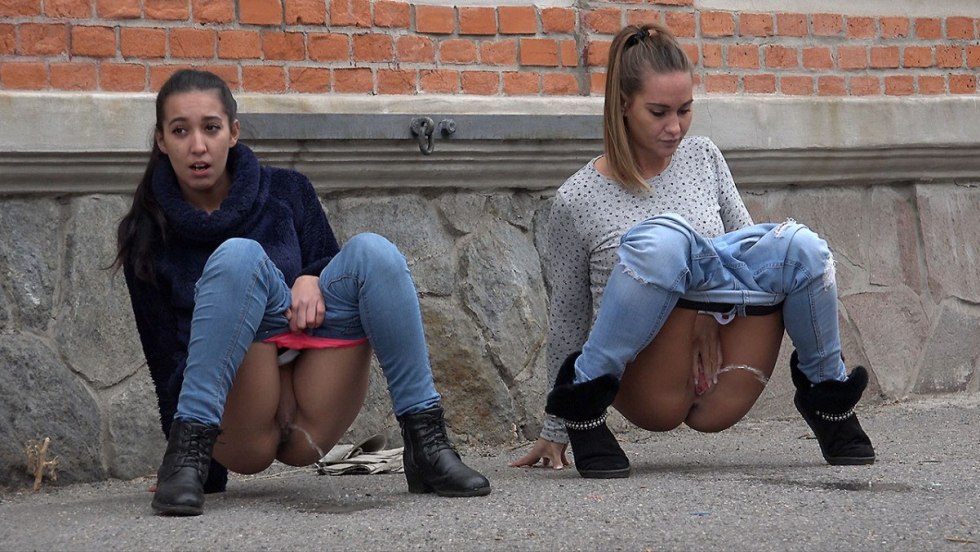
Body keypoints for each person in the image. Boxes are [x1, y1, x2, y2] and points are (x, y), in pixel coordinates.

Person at [113, 69, 491, 516]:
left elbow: (335, 273)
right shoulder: (146, 233)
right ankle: (189, 451)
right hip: (240, 422)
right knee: (239, 258)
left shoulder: (287, 191)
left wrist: (311, 275)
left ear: (233, 132)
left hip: (314, 402)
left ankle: (427, 445)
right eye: (181, 131)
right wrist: (195, 472)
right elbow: (164, 360)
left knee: (374, 252)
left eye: (211, 128)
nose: (198, 145)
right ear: (161, 140)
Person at [511, 24, 875, 478]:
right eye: (659, 112)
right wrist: (555, 427)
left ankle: (830, 402)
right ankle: (585, 406)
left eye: (685, 110)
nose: (675, 127)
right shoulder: (577, 199)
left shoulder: (703, 157)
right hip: (648, 378)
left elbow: (750, 256)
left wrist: (707, 313)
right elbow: (568, 316)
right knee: (665, 240)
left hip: (726, 360)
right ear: (623, 105)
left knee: (800, 247)